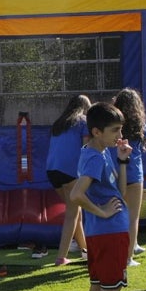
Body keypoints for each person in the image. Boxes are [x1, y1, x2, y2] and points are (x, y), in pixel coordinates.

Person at [54, 102, 137, 291]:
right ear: (97, 131)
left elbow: (120, 193)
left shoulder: (100, 153)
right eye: (114, 130)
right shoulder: (93, 156)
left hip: (106, 234)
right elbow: (77, 195)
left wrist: (123, 160)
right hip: (109, 235)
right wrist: (101, 212)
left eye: (121, 129)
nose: (119, 135)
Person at [113, 88, 146, 266]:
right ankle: (128, 258)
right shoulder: (139, 124)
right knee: (132, 217)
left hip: (115, 172)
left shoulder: (114, 124)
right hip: (134, 174)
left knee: (116, 215)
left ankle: (119, 252)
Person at [46, 95, 91, 266]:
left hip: (52, 171)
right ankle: (61, 257)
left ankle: (85, 250)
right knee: (72, 214)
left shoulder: (59, 123)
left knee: (75, 211)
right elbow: (86, 147)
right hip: (70, 171)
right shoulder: (83, 121)